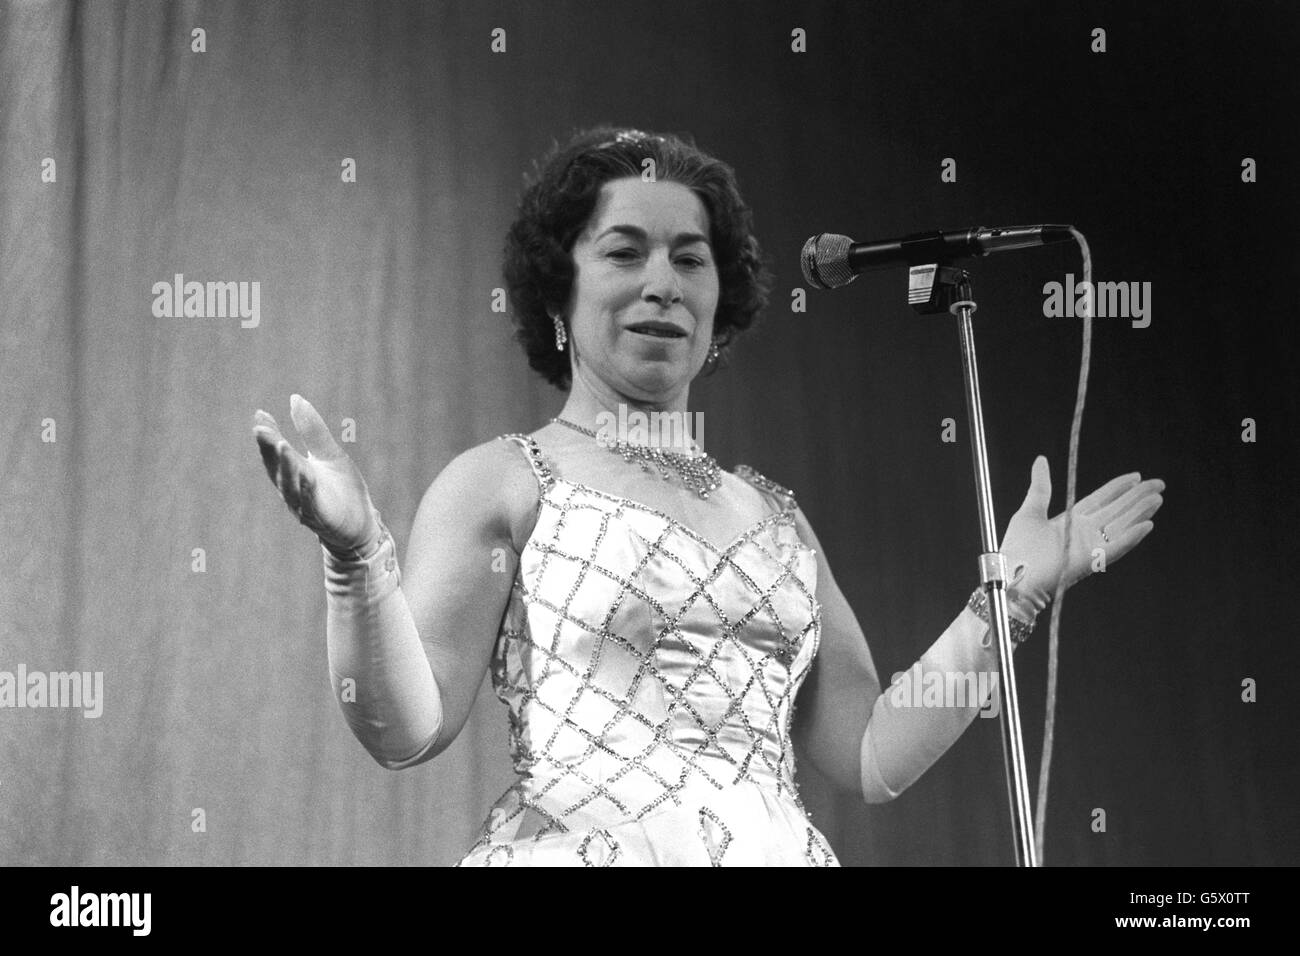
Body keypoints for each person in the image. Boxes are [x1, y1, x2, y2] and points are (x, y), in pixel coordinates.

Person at [251, 126, 1165, 866]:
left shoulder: (775, 517)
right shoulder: (502, 480)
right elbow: (405, 732)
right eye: (624, 251)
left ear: (721, 306)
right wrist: (355, 558)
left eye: (691, 260)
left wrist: (1011, 598)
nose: (662, 283)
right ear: (557, 294)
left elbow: (871, 754)